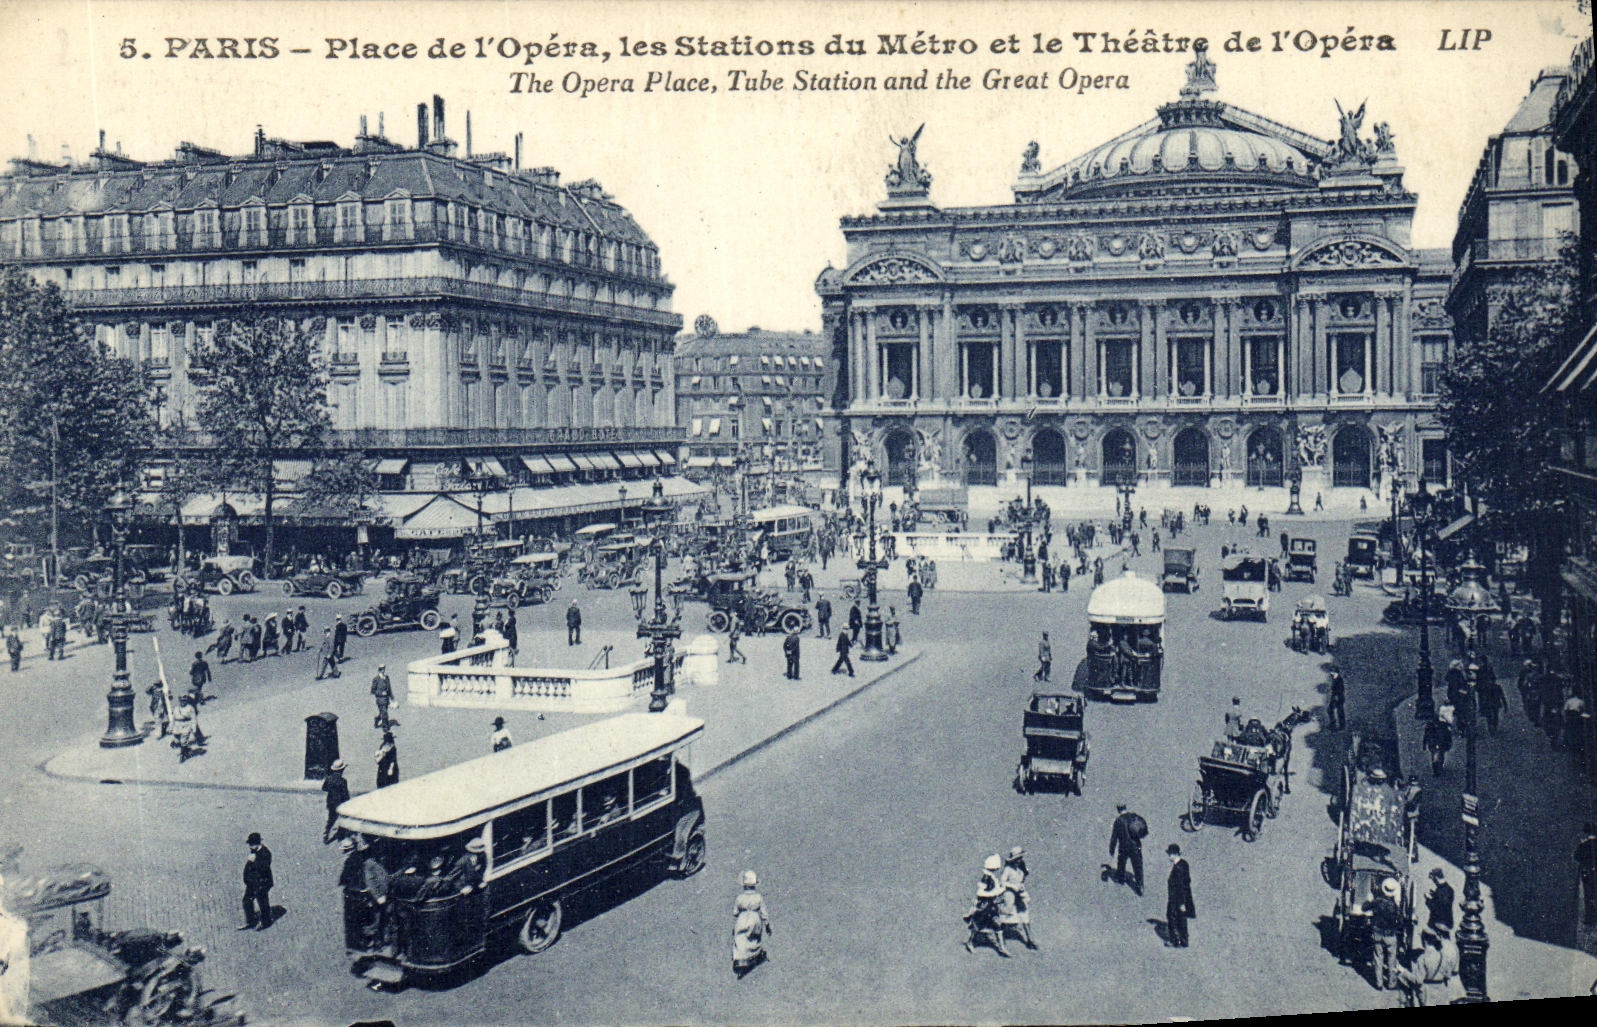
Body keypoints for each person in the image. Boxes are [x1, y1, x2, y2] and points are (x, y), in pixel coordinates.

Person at [1399, 928, 1461, 1006]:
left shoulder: (1422, 958)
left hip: (1427, 993)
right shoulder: (1442, 956)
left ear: (1424, 941)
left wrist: (1404, 972)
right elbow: (1448, 975)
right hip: (1442, 991)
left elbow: (1418, 980)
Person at [964, 855, 1010, 957]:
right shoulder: (986, 878)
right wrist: (995, 893)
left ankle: (1002, 947)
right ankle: (970, 942)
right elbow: (980, 892)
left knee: (998, 925)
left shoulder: (991, 876)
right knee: (978, 926)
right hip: (985, 908)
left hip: (991, 906)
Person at [1364, 876, 1406, 989]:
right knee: (1392, 959)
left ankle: (1379, 983)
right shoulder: (1394, 906)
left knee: (1378, 958)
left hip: (1377, 933)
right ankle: (1391, 983)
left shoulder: (1377, 901)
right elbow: (1401, 922)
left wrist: (1369, 900)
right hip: (1390, 935)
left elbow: (1364, 908)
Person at [731, 870, 773, 978]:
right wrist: (767, 925)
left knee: (740, 938)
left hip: (742, 919)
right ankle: (754, 955)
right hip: (755, 919)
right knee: (754, 938)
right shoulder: (758, 897)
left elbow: (735, 912)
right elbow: (763, 912)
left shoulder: (739, 898)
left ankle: (740, 958)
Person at [998, 847, 1037, 950]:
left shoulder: (1020, 869)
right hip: (1010, 893)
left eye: (1021, 858)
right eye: (1018, 858)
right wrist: (1012, 886)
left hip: (1019, 894)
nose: (1020, 860)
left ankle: (1030, 939)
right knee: (1006, 914)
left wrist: (1021, 887)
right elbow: (1002, 881)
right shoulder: (1008, 869)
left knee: (1024, 915)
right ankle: (1001, 940)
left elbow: (1021, 881)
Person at [239, 832, 274, 931]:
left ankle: (266, 922)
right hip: (252, 882)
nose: (250, 846)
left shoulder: (265, 853)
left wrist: (252, 861)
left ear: (257, 843)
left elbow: (263, 868)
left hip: (262, 883)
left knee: (262, 902)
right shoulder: (254, 852)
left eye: (251, 844)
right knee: (247, 900)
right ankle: (250, 921)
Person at [1109, 804, 1145, 895]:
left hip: (1124, 846)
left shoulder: (1118, 821)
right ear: (1125, 808)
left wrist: (1112, 849)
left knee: (1121, 862)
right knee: (1137, 866)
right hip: (1136, 845)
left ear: (1118, 810)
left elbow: (1114, 837)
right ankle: (1140, 885)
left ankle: (1120, 878)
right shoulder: (1134, 816)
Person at [1165, 844, 1195, 948]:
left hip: (1176, 898)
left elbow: (1181, 886)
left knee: (1171, 917)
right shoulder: (1184, 864)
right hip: (1183, 897)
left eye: (1169, 854)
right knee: (1182, 918)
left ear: (1174, 854)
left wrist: (1182, 902)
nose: (1168, 856)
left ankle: (1175, 940)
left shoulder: (1177, 869)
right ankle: (1184, 940)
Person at [322, 759, 351, 845]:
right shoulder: (343, 781)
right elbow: (345, 794)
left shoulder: (328, 779)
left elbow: (324, 788)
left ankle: (326, 833)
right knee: (343, 818)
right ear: (342, 770)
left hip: (330, 802)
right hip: (340, 803)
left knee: (331, 819)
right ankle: (341, 836)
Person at [1576, 822, 1597, 923]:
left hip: (1587, 872)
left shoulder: (1583, 844)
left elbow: (1577, 857)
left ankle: (1590, 917)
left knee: (1588, 894)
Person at [1424, 867, 1454, 935]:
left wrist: (1428, 899)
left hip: (1438, 924)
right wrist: (1434, 894)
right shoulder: (1449, 889)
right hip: (1447, 922)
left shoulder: (1440, 892)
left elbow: (1436, 909)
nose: (1433, 882)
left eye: (1433, 880)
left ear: (1436, 878)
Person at [370, 666, 395, 731]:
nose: (383, 671)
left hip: (386, 699)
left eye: (383, 669)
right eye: (381, 669)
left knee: (382, 713)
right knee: (384, 713)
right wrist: (381, 693)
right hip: (380, 700)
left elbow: (389, 688)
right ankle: (385, 727)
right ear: (379, 670)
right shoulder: (376, 679)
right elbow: (373, 691)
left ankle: (377, 719)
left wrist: (392, 697)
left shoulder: (387, 678)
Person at [1326, 666, 1347, 731]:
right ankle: (1334, 724)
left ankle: (1341, 725)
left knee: (1339, 711)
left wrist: (1336, 697)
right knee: (1331, 710)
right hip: (1335, 697)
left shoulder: (1339, 679)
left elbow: (1340, 689)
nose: (1331, 673)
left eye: (1332, 672)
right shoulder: (1335, 678)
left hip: (1338, 698)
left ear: (1335, 672)